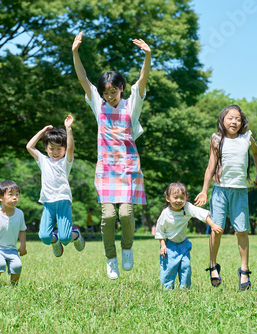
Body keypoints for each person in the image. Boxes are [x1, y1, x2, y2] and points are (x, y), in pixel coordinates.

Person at [72, 32, 151, 279]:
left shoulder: (132, 104)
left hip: (128, 167)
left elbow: (143, 78)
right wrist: (75, 52)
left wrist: (147, 56)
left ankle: (127, 249)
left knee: (126, 213)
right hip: (106, 168)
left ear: (121, 88)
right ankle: (110, 258)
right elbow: (83, 78)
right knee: (107, 216)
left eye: (113, 91)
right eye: (105, 92)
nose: (109, 96)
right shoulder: (98, 104)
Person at [194, 105, 257, 290]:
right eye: (230, 118)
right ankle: (213, 265)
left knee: (241, 231)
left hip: (240, 191)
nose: (234, 122)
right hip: (220, 190)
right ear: (223, 120)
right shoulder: (217, 139)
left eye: (238, 119)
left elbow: (256, 153)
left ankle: (244, 270)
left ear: (242, 122)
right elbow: (210, 166)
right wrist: (204, 191)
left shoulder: (246, 138)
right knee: (217, 229)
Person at [26, 115, 85, 257]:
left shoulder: (66, 162)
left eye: (59, 149)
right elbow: (29, 146)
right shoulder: (43, 160)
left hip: (63, 200)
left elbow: (71, 146)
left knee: (66, 238)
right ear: (46, 148)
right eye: (51, 148)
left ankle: (75, 234)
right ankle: (54, 242)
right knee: (45, 237)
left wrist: (68, 128)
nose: (55, 152)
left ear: (64, 150)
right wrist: (42, 131)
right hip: (48, 202)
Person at [155, 183, 222, 290]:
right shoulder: (165, 214)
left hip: (183, 244)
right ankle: (167, 290)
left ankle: (185, 289)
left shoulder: (187, 207)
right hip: (169, 246)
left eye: (182, 197)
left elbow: (202, 214)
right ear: (168, 199)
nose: (179, 200)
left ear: (186, 198)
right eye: (175, 197)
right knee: (169, 269)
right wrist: (162, 245)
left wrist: (213, 225)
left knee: (185, 267)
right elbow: (160, 231)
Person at [0, 180, 27, 286]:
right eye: (11, 194)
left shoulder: (19, 213)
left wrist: (23, 245)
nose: (15, 197)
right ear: (0, 197)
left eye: (17, 194)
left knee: (17, 266)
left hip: (11, 248)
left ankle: (14, 286)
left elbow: (22, 230)